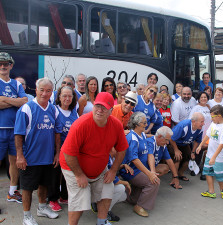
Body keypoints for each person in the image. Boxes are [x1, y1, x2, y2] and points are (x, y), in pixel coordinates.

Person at [59, 92, 128, 225]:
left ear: (111, 110)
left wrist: (113, 170)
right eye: (97, 106)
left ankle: (101, 222)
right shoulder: (81, 124)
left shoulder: (116, 124)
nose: (100, 110)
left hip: (99, 168)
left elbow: (122, 149)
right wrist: (79, 175)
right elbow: (68, 153)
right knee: (80, 198)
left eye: (104, 108)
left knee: (107, 190)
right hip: (73, 167)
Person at [15, 77, 62, 225]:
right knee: (27, 188)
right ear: (36, 90)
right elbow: (18, 134)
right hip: (30, 158)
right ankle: (26, 216)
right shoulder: (27, 108)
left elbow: (57, 132)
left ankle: (42, 208)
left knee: (44, 185)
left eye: (48, 91)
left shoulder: (53, 109)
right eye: (42, 90)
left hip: (47, 157)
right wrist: (20, 156)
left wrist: (57, 153)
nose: (45, 93)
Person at [120, 112, 160, 217]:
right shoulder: (132, 138)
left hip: (139, 169)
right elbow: (134, 160)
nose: (146, 124)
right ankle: (140, 206)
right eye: (144, 123)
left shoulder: (141, 134)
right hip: (131, 170)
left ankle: (131, 199)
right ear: (137, 124)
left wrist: (152, 171)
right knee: (154, 182)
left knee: (151, 178)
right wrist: (149, 174)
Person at [0, 52, 27, 205]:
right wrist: (14, 101)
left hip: (15, 130)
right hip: (0, 129)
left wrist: (4, 99)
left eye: (6, 64)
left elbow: (24, 101)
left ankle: (12, 192)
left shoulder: (16, 84)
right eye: (0, 64)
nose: (3, 66)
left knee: (14, 161)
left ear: (11, 65)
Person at [48, 86, 79, 212]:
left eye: (70, 96)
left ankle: (64, 197)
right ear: (59, 97)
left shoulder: (74, 112)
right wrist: (57, 152)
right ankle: (53, 199)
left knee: (68, 174)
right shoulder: (54, 110)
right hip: (57, 150)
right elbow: (55, 133)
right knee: (55, 175)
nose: (67, 98)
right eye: (64, 96)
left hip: (70, 151)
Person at [196, 105, 223, 200]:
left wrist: (214, 157)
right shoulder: (213, 124)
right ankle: (211, 191)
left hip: (219, 157)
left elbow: (222, 144)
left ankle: (222, 190)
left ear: (219, 116)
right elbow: (208, 135)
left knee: (220, 175)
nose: (211, 119)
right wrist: (200, 145)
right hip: (210, 154)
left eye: (213, 117)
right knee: (208, 172)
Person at [168, 112, 205, 182]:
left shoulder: (200, 129)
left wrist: (193, 152)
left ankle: (180, 173)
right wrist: (176, 150)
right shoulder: (183, 126)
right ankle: (174, 179)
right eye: (202, 122)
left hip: (184, 144)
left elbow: (197, 141)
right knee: (178, 158)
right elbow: (171, 138)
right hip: (173, 143)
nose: (203, 124)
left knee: (189, 158)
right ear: (194, 122)